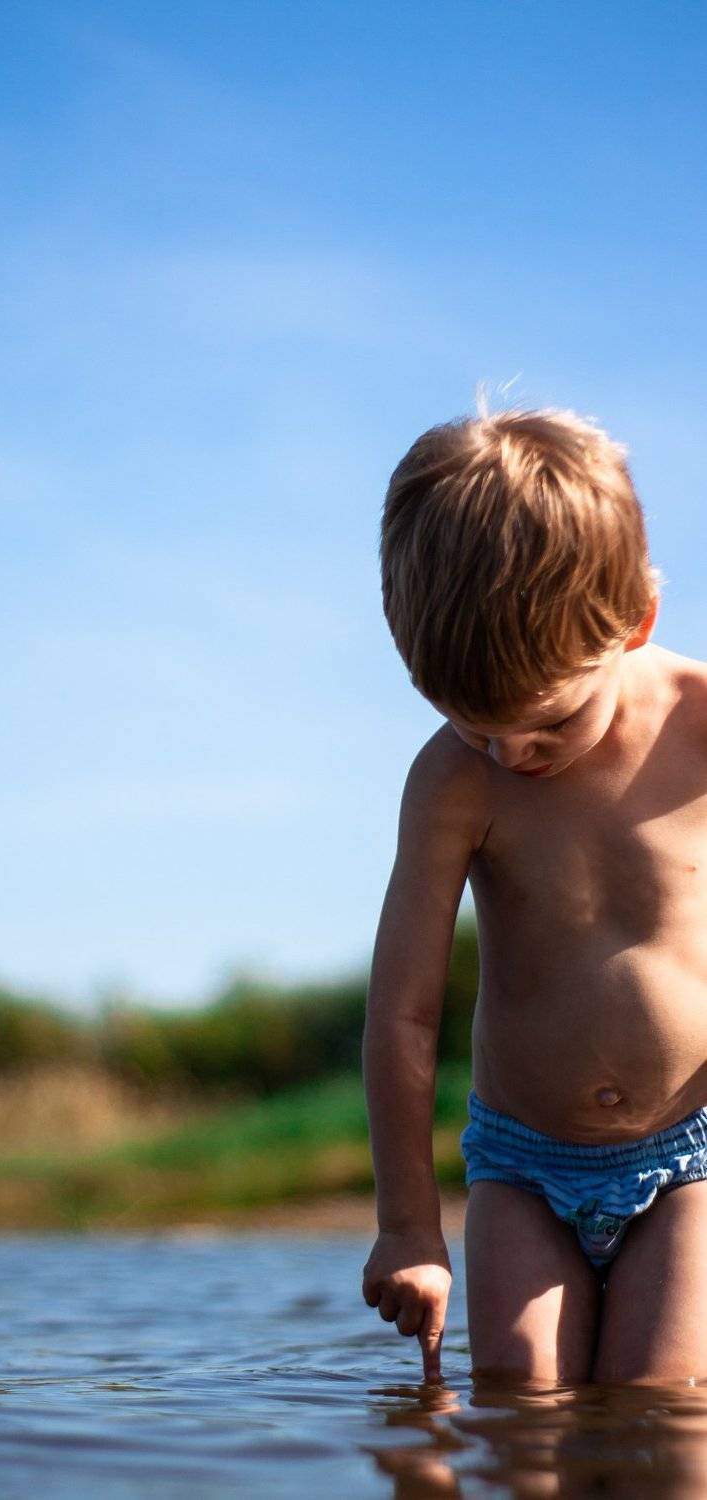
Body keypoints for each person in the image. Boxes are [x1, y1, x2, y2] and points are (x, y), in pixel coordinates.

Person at [361, 406, 707, 1385]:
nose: (512, 755)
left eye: (548, 722)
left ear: (634, 622)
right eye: (475, 726)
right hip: (520, 1166)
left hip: (693, 1153)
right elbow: (403, 1013)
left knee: (658, 1404)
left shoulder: (699, 728)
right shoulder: (450, 783)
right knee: (520, 1403)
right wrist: (408, 1226)